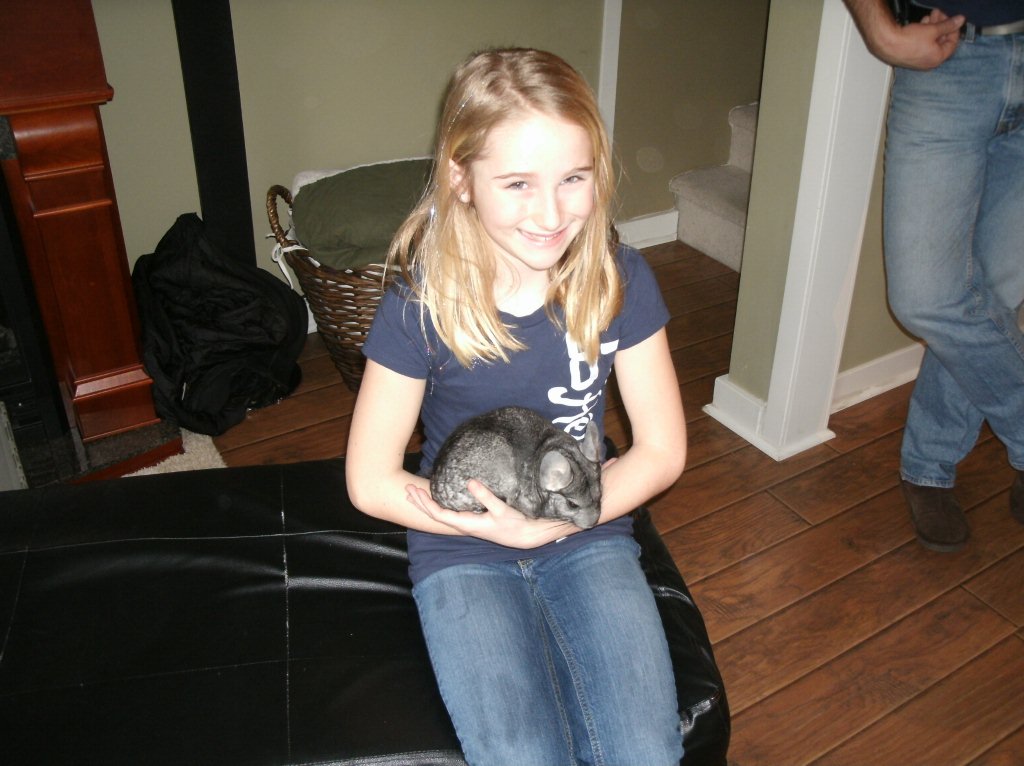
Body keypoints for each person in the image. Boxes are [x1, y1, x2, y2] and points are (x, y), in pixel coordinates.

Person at [345, 48, 687, 765]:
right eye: (518, 184)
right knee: (521, 754)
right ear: (460, 179)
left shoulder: (621, 281)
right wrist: (495, 528)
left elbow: (662, 449)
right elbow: (370, 479)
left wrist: (549, 526)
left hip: (588, 532)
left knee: (646, 753)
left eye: (573, 178)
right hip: (459, 546)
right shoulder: (417, 305)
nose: (551, 213)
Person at [843, 0, 1024, 552]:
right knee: (926, 297)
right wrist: (880, 31)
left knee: (992, 295)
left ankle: (929, 462)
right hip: (949, 54)